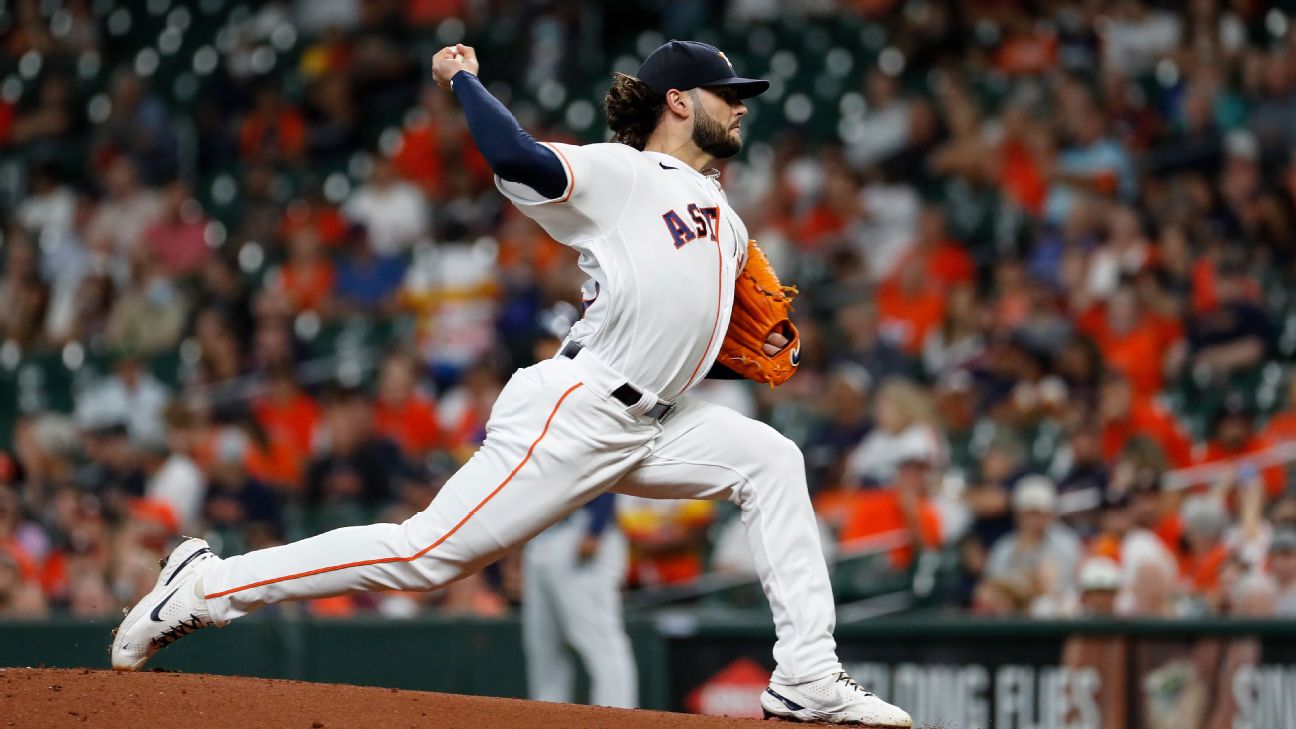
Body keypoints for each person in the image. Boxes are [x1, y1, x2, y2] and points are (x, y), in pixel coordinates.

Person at [110, 39, 912, 727]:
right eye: (727, 96)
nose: (741, 109)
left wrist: (742, 346)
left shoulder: (726, 216)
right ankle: (207, 585)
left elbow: (689, 325)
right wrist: (464, 79)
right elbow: (518, 157)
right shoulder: (622, 173)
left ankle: (807, 674)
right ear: (677, 100)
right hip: (581, 406)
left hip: (657, 419)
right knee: (423, 555)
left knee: (772, 459)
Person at [522, 493, 636, 708]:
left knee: (600, 642)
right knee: (544, 646)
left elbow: (607, 474)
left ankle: (618, 718)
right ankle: (546, 720)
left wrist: (596, 528)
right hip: (543, 532)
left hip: (582, 528)